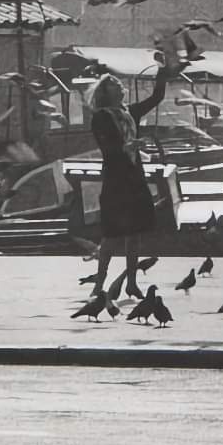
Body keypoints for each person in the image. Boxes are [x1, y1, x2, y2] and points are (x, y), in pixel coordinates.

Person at [88, 68, 168, 298]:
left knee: (135, 234)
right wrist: (127, 147)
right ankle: (99, 283)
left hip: (134, 177)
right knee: (111, 234)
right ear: (105, 92)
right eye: (113, 83)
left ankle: (131, 282)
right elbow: (107, 149)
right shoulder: (102, 116)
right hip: (116, 179)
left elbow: (157, 98)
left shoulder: (128, 111)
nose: (120, 85)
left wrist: (163, 72)